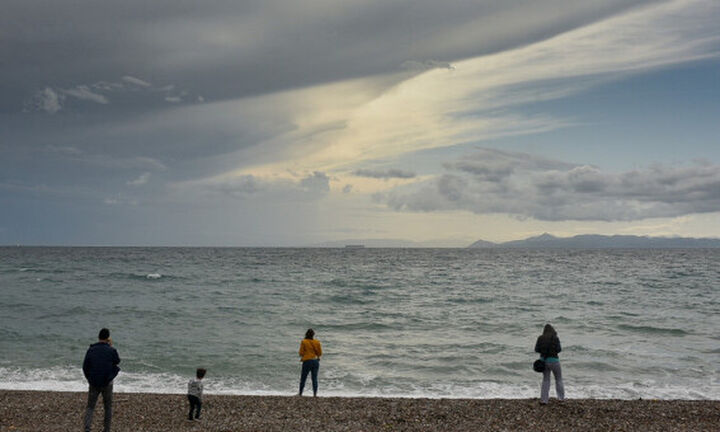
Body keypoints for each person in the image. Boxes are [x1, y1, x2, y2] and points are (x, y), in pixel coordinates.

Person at [83, 328, 121, 432]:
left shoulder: (91, 349)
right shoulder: (111, 350)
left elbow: (85, 366)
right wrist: (110, 346)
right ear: (108, 338)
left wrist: (89, 378)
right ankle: (106, 429)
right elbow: (117, 361)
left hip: (94, 381)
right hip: (107, 382)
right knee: (108, 407)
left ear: (99, 337)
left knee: (90, 406)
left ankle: (87, 428)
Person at [534, 323, 565, 404]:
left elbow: (536, 349)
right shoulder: (555, 338)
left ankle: (544, 400)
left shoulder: (540, 338)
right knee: (558, 379)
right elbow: (559, 350)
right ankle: (561, 398)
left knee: (546, 380)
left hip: (544, 361)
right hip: (554, 361)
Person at [298, 328, 322, 396]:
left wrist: (304, 355)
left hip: (307, 361)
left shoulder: (304, 341)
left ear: (306, 334)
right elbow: (319, 353)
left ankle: (300, 393)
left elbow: (301, 353)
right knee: (314, 378)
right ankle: (315, 394)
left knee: (303, 378)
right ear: (313, 335)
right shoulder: (317, 342)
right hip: (315, 361)